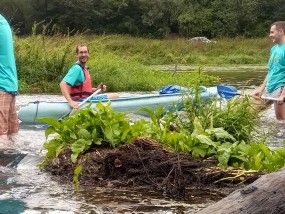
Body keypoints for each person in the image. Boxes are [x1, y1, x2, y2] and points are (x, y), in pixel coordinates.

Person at [60, 44, 119, 109]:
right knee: (115, 95)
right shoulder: (76, 68)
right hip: (81, 101)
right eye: (81, 52)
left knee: (114, 95)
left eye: (85, 52)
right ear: (77, 55)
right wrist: (70, 102)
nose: (83, 55)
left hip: (84, 98)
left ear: (88, 54)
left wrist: (97, 90)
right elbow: (62, 84)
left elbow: (83, 90)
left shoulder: (84, 68)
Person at [254, 21, 285, 120]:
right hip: (269, 87)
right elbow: (270, 70)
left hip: (280, 88)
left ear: (280, 31)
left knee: (281, 121)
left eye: (272, 32)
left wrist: (283, 95)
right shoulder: (274, 49)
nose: (270, 35)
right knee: (251, 111)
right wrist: (261, 89)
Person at [0, 14, 19, 141]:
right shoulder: (3, 21)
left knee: (1, 135)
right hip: (10, 85)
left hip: (1, 85)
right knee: (13, 134)